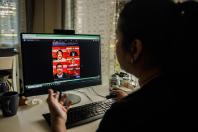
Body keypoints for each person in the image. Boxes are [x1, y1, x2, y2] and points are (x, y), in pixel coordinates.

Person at [47, 0, 198, 131]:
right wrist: (131, 99)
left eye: (118, 38)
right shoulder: (186, 88)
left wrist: (58, 121)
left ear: (135, 49)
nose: (116, 44)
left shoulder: (123, 117)